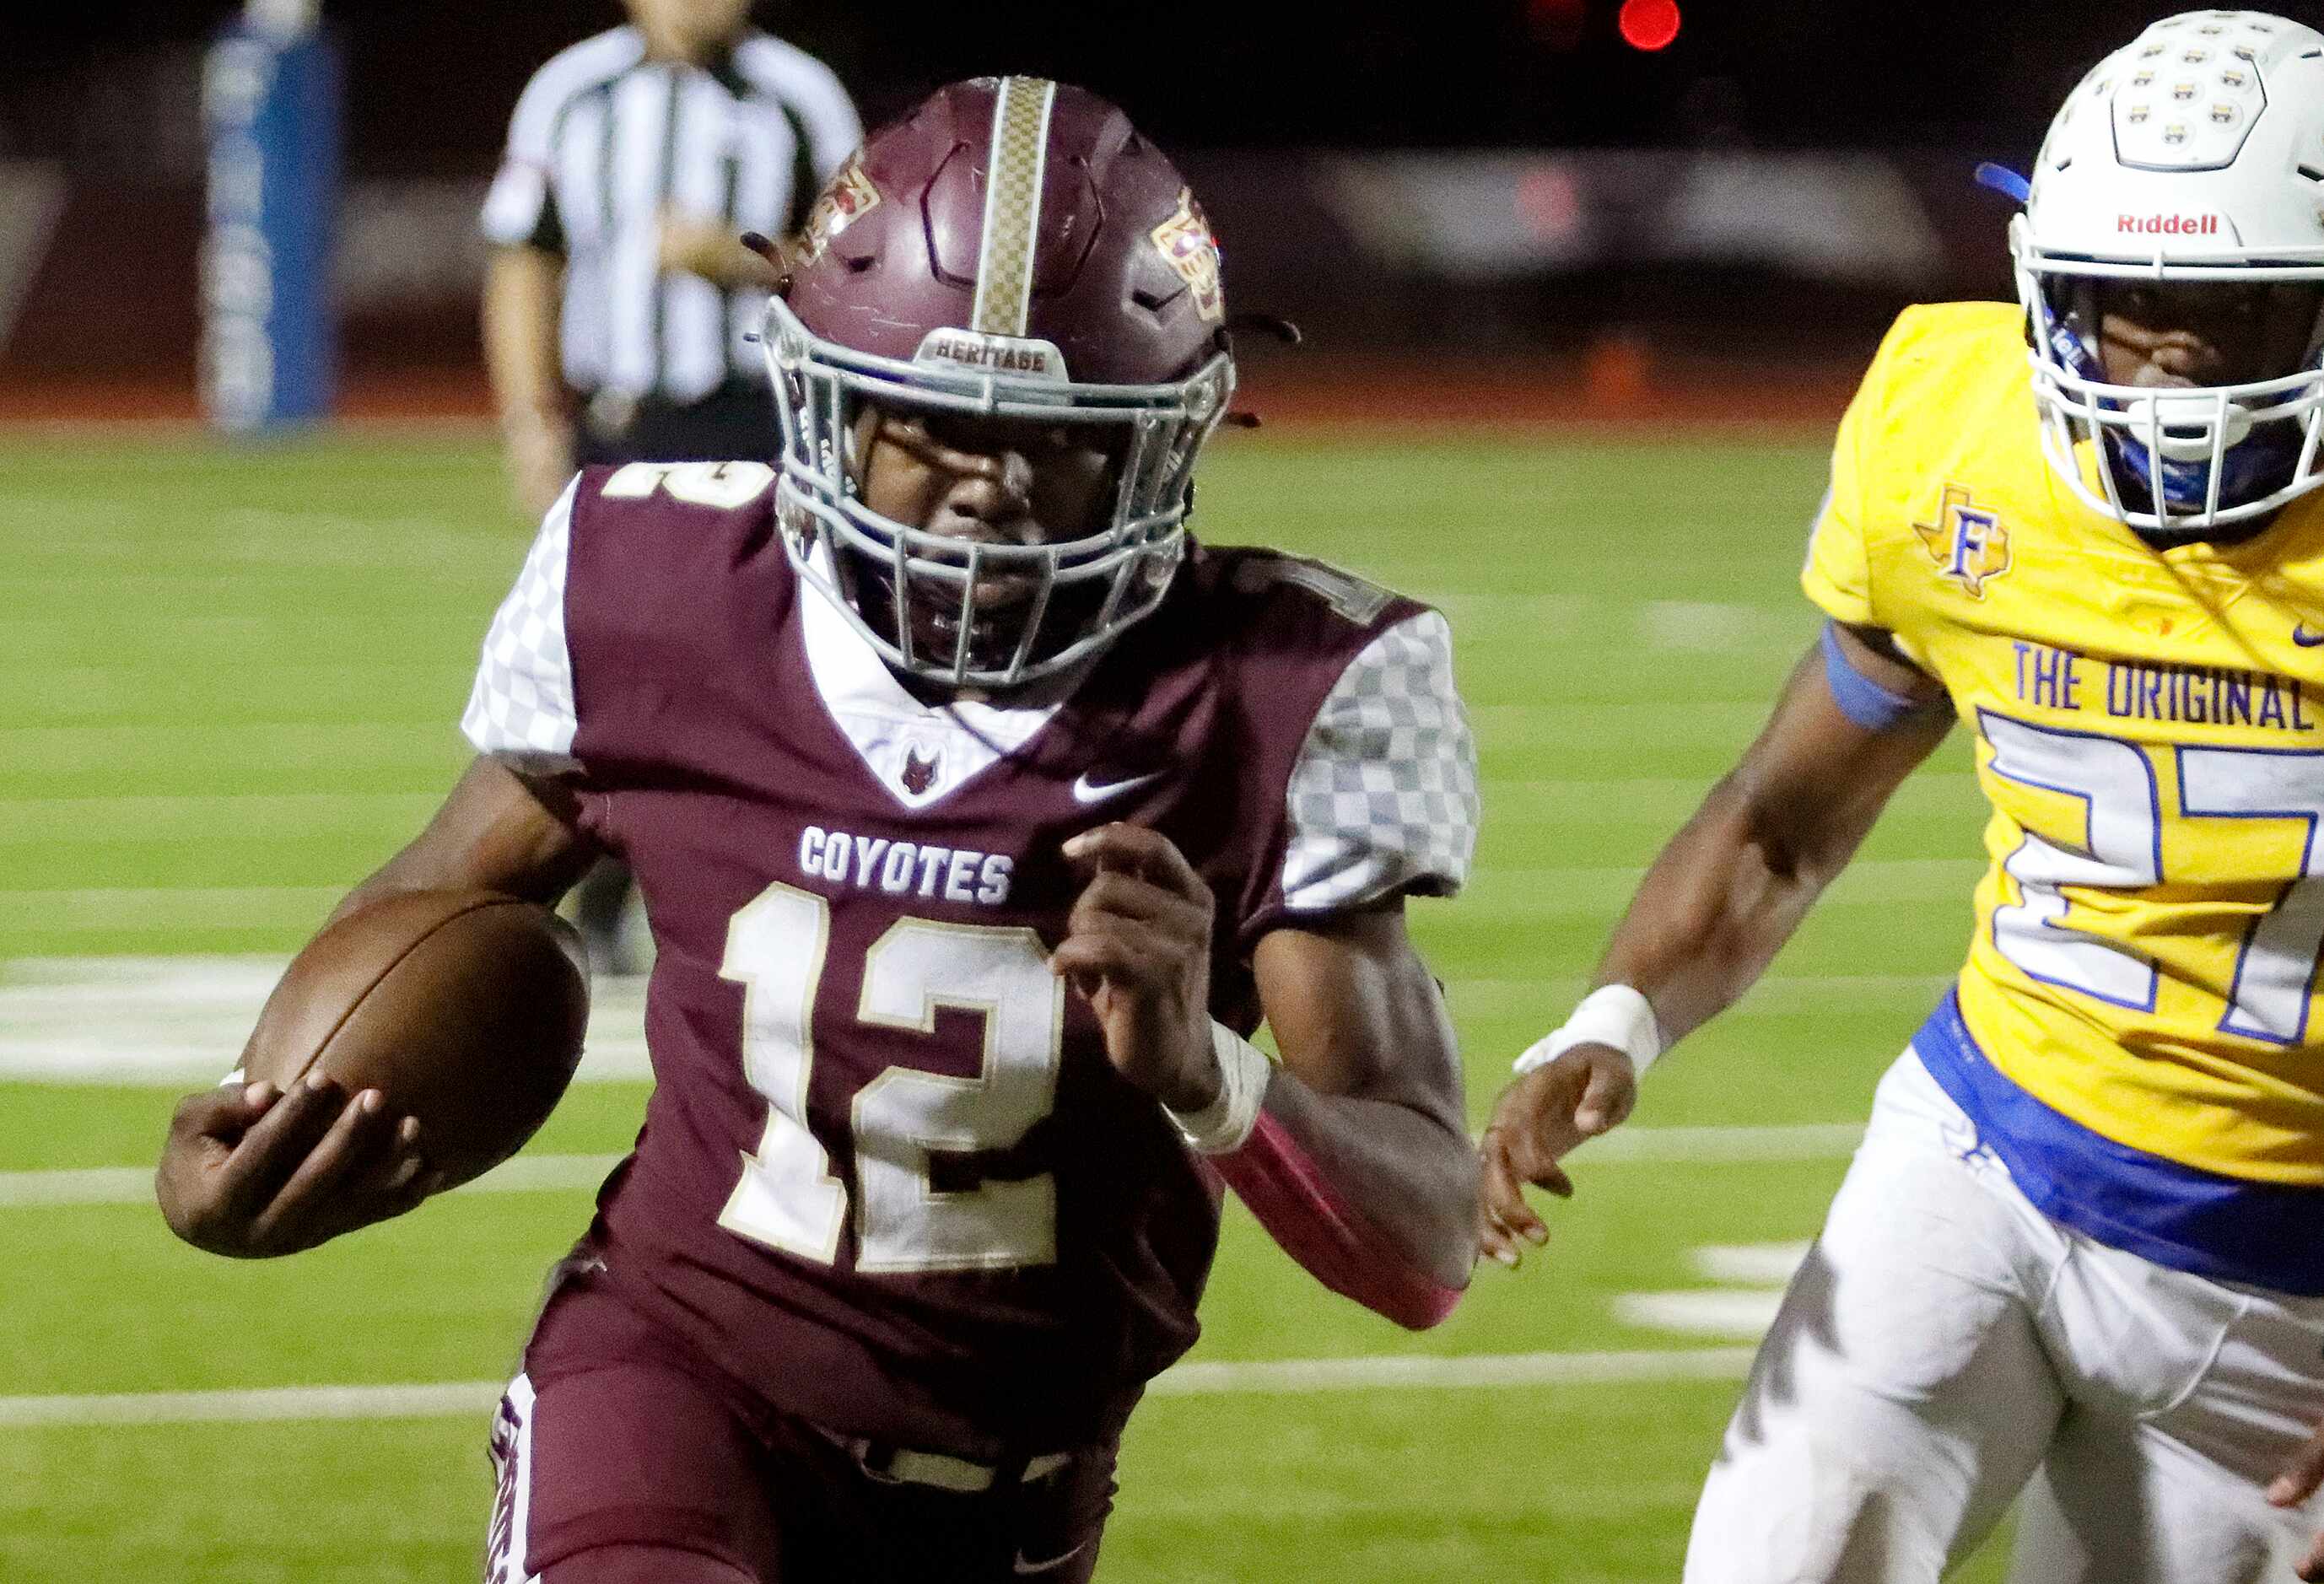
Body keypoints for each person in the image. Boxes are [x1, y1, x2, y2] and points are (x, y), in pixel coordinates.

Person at [158, 78, 1480, 1584]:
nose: (986, 491)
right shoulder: (661, 586)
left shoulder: (1273, 694)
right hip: (672, 1382)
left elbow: (1426, 1241)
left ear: (1167, 441)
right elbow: (438, 894)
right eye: (927, 420)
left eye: (1055, 440)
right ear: (821, 400)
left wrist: (1209, 1068)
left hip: (1018, 1479)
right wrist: (257, 1108)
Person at [1479, 11, 2324, 1582]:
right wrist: (1618, 1015)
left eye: (2232, 306)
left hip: (2286, 1277)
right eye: (2121, 305)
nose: (2170, 362)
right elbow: (1788, 813)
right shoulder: (1960, 427)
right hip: (1983, 1156)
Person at [483, 0, 862, 974]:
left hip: (758, 418)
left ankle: (757, 891)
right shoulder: (571, 91)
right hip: (621, 420)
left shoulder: (800, 95)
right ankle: (586, 894)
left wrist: (732, 259)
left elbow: (862, 270)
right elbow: (525, 259)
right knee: (599, 670)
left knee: (772, 667)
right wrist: (531, 418)